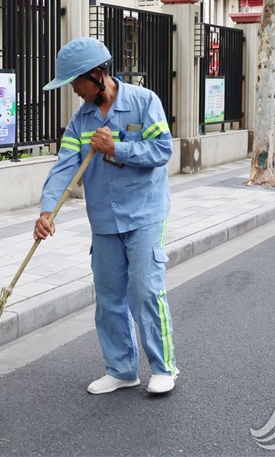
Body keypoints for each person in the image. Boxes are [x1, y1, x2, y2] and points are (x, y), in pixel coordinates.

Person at [34, 37, 178, 394]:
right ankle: (121, 369)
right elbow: (64, 168)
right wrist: (46, 211)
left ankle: (164, 368)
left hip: (145, 212)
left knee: (145, 290)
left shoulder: (144, 103)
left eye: (76, 83)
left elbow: (162, 150)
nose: (75, 92)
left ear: (97, 75)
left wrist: (117, 148)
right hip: (104, 219)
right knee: (109, 297)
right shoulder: (79, 122)